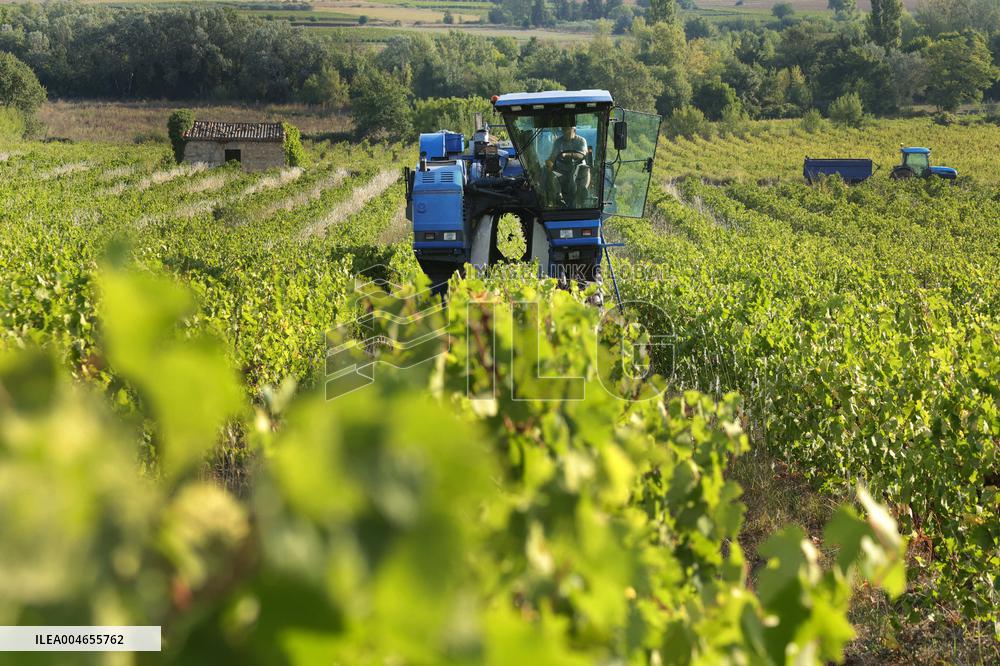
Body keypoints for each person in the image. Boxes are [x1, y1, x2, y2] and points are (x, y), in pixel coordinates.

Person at [545, 126, 591, 207]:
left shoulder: (581, 140)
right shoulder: (558, 142)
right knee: (553, 174)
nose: (565, 131)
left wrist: (567, 154)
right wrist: (549, 163)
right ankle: (559, 196)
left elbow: (582, 155)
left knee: (586, 169)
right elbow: (553, 156)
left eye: (567, 129)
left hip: (578, 171)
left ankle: (582, 192)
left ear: (574, 130)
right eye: (564, 129)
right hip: (563, 171)